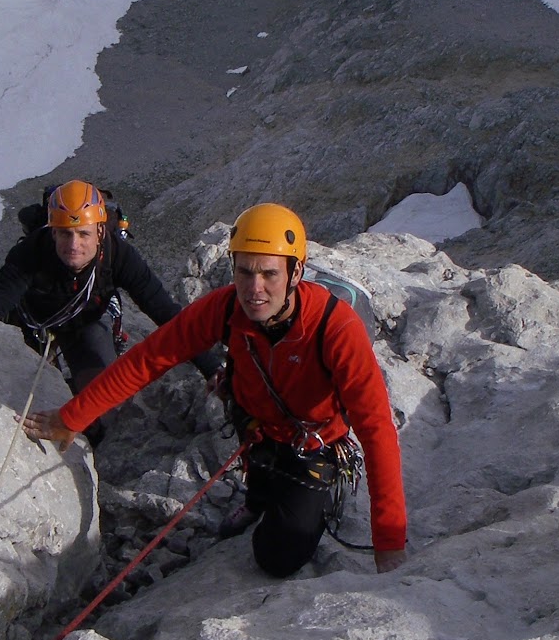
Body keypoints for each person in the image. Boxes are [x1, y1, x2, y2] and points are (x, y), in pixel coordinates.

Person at [23, 202, 407, 577]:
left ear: (295, 274)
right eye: (244, 272)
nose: (254, 289)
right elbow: (148, 360)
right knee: (260, 465)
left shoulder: (335, 329)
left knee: (277, 557)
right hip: (255, 421)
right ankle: (258, 495)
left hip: (314, 442)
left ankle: (312, 497)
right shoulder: (225, 309)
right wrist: (73, 417)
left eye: (269, 274)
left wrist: (389, 540)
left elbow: (376, 429)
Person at [0, 180, 212, 421]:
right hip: (29, 327)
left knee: (104, 409)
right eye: (65, 234)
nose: (74, 245)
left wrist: (212, 368)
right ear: (52, 232)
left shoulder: (120, 256)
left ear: (100, 231)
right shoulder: (31, 251)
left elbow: (168, 315)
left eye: (84, 234)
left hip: (84, 325)